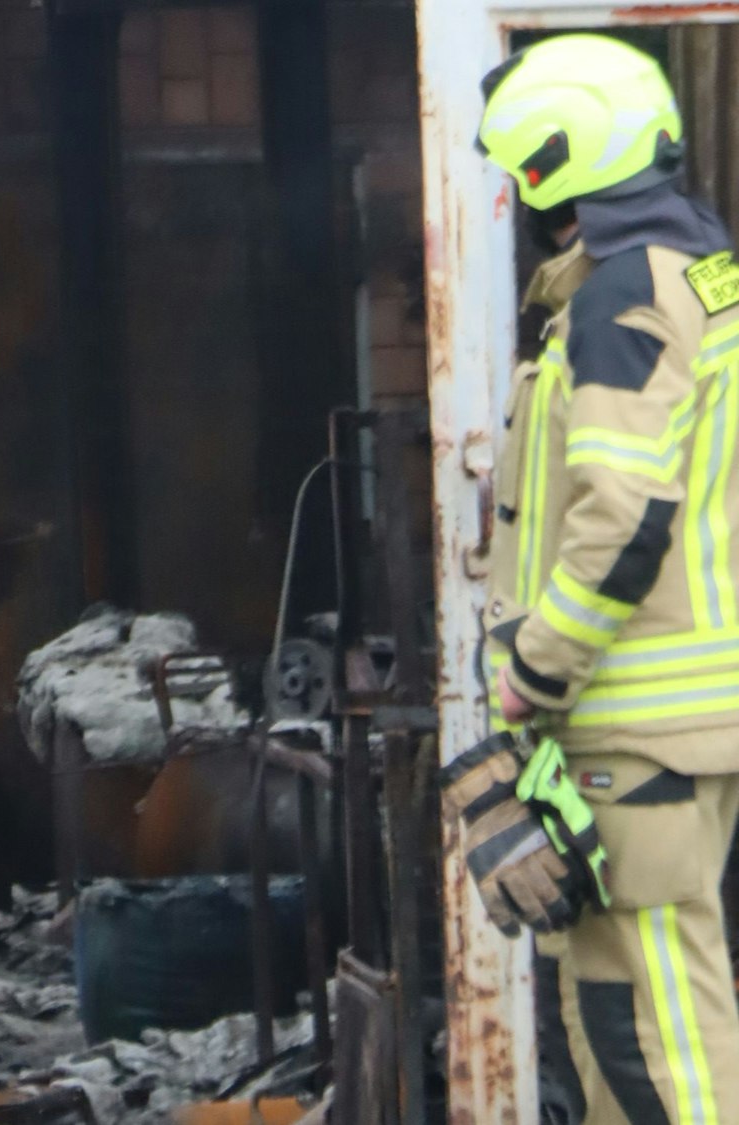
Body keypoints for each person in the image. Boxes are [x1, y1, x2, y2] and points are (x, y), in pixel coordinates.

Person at [463, 33, 739, 1123]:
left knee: (652, 1028)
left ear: (556, 164)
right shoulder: (698, 278)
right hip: (683, 722)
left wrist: (532, 670)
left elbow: (620, 520)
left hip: (637, 728)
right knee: (630, 1013)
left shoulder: (619, 300)